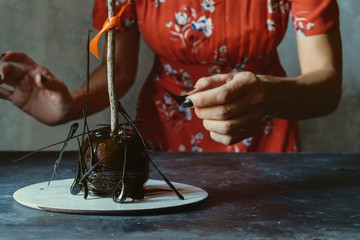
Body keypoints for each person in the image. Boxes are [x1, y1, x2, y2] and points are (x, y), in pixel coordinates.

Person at [0, 0, 342, 152]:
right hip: (165, 136)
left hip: (265, 131)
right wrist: (71, 106)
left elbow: (326, 84)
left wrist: (265, 94)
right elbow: (117, 70)